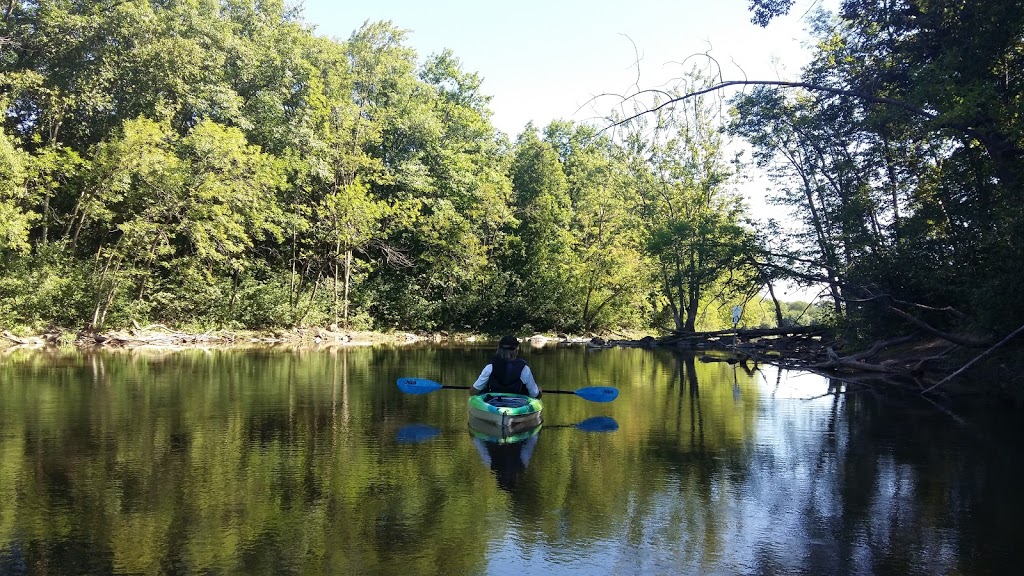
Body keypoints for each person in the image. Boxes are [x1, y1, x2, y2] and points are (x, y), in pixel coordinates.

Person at [470, 335, 542, 398]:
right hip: (517, 405)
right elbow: (535, 395)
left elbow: (472, 392)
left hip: (494, 405)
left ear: (499, 349)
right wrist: (539, 391)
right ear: (517, 350)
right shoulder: (525, 369)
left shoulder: (490, 368)